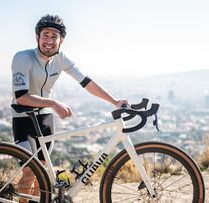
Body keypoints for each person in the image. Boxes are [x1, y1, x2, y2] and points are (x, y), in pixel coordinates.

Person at [11, 14, 128, 202]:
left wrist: (114, 101)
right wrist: (53, 103)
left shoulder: (61, 58)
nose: (49, 41)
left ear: (61, 40)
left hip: (45, 118)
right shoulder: (23, 58)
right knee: (29, 172)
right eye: (45, 35)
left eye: (54, 36)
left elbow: (87, 82)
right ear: (37, 37)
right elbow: (22, 97)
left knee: (40, 172)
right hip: (23, 117)